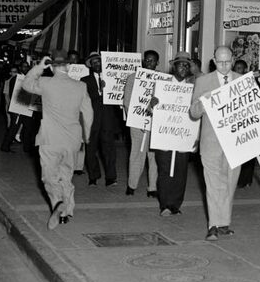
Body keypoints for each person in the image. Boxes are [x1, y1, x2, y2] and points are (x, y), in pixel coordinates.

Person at [21, 50, 93, 227]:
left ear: (52, 67)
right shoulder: (80, 86)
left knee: (50, 178)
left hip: (50, 139)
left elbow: (26, 84)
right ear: (69, 66)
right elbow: (89, 114)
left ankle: (58, 203)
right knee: (66, 176)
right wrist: (87, 136)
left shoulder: (45, 83)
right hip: (72, 140)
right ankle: (65, 213)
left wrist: (38, 67)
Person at [190, 46, 241, 241]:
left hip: (236, 142)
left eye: (227, 62)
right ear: (213, 61)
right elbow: (193, 113)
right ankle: (213, 224)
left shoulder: (242, 80)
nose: (224, 66)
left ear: (233, 59)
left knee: (230, 182)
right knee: (213, 184)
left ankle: (224, 223)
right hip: (211, 142)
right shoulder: (203, 81)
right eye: (220, 62)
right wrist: (203, 102)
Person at [153, 51, 196, 216]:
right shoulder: (162, 85)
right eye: (180, 64)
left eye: (186, 65)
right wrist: (153, 104)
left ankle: (175, 204)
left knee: (180, 171)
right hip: (164, 136)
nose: (183, 68)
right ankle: (164, 204)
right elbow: (150, 109)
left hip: (183, 137)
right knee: (165, 170)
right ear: (174, 66)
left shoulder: (193, 88)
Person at [122, 50, 160, 198]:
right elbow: (127, 101)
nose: (149, 63)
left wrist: (155, 108)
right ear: (143, 61)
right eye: (147, 60)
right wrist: (139, 117)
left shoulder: (163, 79)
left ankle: (153, 187)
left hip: (156, 124)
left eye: (152, 61)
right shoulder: (133, 78)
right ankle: (132, 185)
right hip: (137, 123)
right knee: (136, 153)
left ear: (157, 62)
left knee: (154, 156)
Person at [81, 51, 118, 186]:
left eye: (99, 61)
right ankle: (93, 177)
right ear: (90, 65)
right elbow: (83, 100)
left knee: (109, 150)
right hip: (91, 120)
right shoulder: (84, 81)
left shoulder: (112, 78)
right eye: (94, 62)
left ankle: (111, 178)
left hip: (108, 120)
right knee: (91, 149)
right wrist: (100, 92)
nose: (97, 64)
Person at [232, 59, 256, 189]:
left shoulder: (252, 82)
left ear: (245, 70)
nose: (237, 70)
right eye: (235, 68)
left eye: (240, 68)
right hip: (235, 123)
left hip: (248, 122)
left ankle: (246, 179)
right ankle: (236, 178)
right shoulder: (229, 83)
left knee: (249, 153)